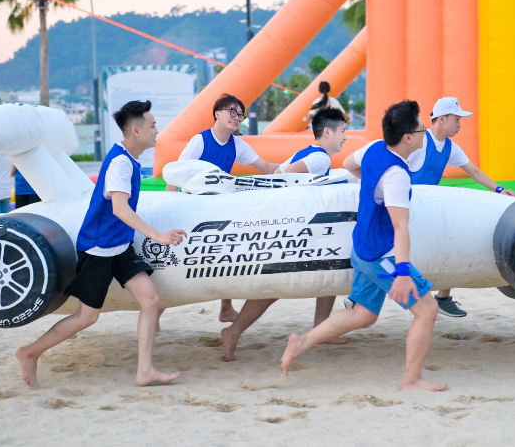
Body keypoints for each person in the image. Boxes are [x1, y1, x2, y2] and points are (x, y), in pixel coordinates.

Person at [16, 100, 185, 388]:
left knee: (150, 300)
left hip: (119, 245)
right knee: (86, 317)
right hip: (99, 249)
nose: (157, 131)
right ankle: (29, 352)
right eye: (153, 125)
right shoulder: (120, 163)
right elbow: (119, 208)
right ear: (135, 130)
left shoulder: (129, 158)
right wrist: (158, 235)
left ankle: (145, 370)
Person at [281, 100, 447, 392]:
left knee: (364, 314)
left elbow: (349, 164)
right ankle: (411, 379)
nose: (426, 134)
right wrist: (402, 272)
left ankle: (303, 341)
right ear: (408, 137)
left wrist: (372, 183)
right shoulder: (396, 175)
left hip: (362, 247)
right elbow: (400, 227)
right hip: (382, 256)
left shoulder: (374, 148)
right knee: (427, 310)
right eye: (422, 129)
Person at [221, 108, 349, 361]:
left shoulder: (310, 153)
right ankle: (233, 331)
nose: (345, 137)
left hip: (293, 227)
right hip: (288, 229)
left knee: (330, 266)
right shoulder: (320, 158)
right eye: (343, 131)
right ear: (327, 132)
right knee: (274, 287)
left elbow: (281, 174)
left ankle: (321, 326)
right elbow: (282, 176)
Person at [165, 93, 280, 323]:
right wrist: (169, 210)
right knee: (174, 261)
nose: (236, 117)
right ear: (217, 114)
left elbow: (267, 167)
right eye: (232, 112)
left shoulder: (237, 144)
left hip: (217, 209)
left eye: (240, 114)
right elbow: (174, 175)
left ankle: (226, 308)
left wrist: (296, 169)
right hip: (191, 208)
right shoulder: (200, 141)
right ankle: (157, 312)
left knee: (228, 255)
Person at [408, 97, 515, 317]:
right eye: (456, 119)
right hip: (406, 209)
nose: (460, 125)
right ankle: (360, 296)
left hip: (426, 209)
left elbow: (473, 171)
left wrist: (499, 190)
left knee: (454, 241)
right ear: (441, 119)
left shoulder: (450, 147)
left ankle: (443, 298)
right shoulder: (420, 142)